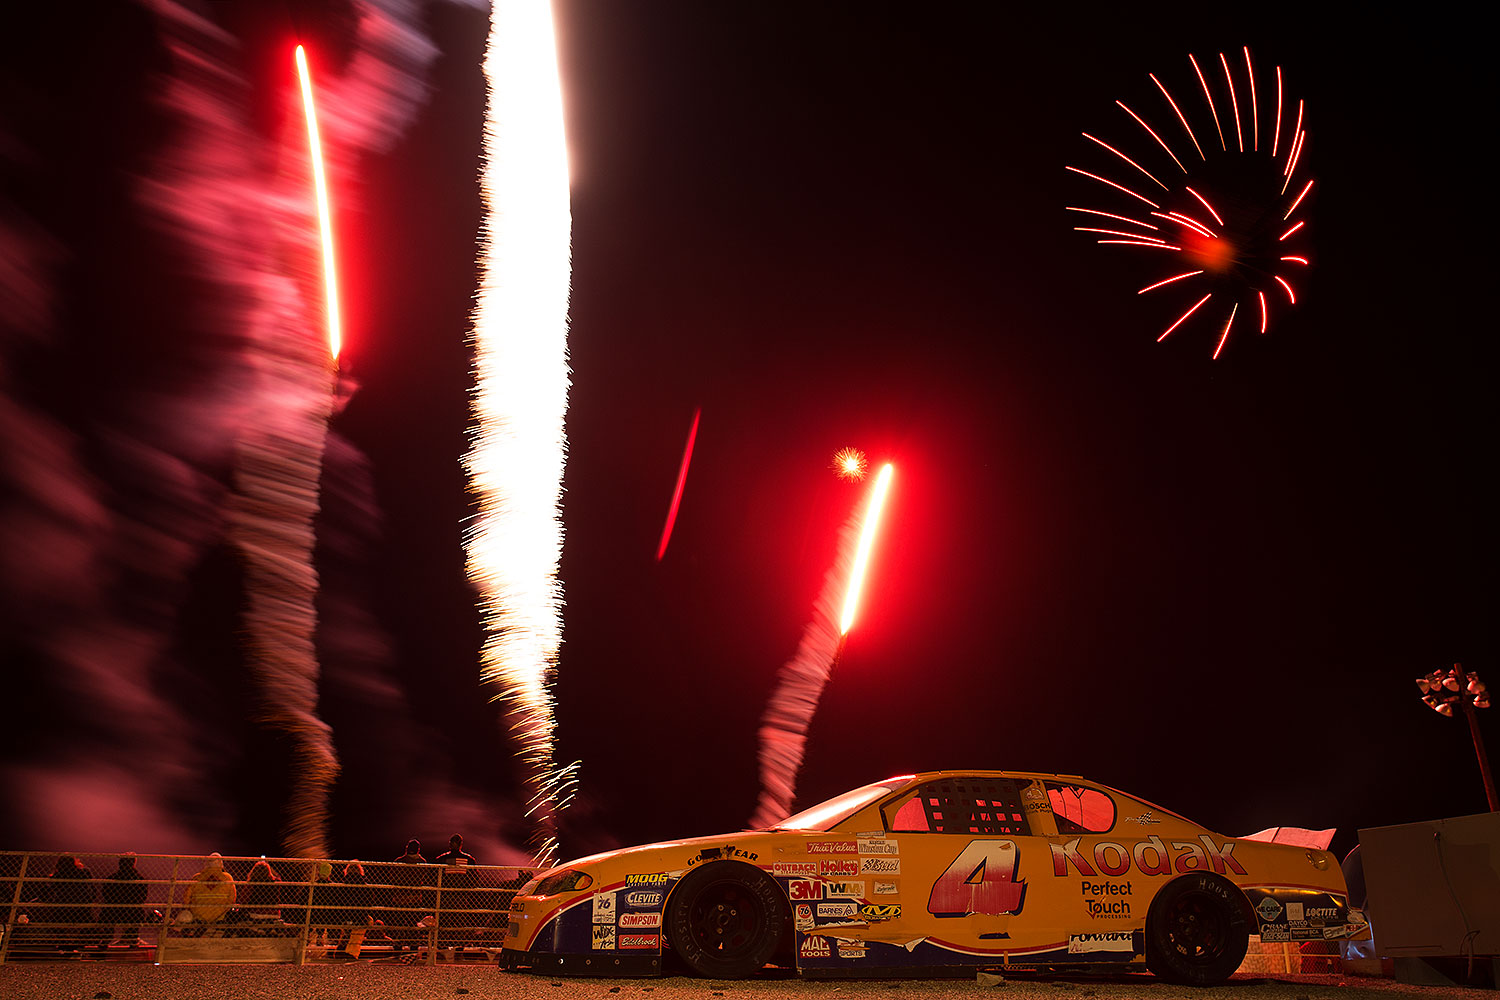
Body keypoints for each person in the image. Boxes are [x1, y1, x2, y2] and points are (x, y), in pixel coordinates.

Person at [41, 855, 97, 950]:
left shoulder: (58, 875)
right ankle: (79, 944)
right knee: (87, 923)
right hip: (81, 905)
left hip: (62, 905)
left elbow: (49, 891)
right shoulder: (83, 872)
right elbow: (93, 888)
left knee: (59, 924)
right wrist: (90, 899)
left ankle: (64, 944)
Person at [434, 835, 478, 954]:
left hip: (446, 894)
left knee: (444, 919)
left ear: (449, 844)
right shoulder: (468, 860)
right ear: (461, 844)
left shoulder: (442, 859)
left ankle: (442, 945)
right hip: (461, 895)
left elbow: (433, 876)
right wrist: (468, 888)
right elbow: (475, 878)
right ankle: (458, 945)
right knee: (459, 920)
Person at [387, 838, 427, 952]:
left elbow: (392, 877)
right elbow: (425, 877)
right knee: (413, 923)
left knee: (399, 923)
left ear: (407, 849)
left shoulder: (399, 861)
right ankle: (413, 945)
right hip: (414, 897)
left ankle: (398, 945)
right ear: (418, 850)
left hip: (399, 897)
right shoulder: (422, 862)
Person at [181, 853, 236, 933]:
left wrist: (191, 909)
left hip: (198, 915)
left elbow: (186, 898)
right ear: (221, 864)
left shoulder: (197, 877)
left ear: (206, 864)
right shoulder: (227, 878)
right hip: (220, 916)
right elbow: (232, 898)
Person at [102, 854, 147, 946]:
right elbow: (142, 897)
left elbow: (105, 894)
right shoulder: (139, 879)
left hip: (113, 911)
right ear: (133, 864)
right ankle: (132, 939)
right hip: (133, 912)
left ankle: (105, 940)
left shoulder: (112, 878)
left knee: (106, 912)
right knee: (138, 911)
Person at [239, 859, 288, 934]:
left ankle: (258, 928)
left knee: (243, 915)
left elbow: (243, 899)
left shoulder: (251, 884)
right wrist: (269, 868)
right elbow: (278, 877)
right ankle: (270, 928)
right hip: (274, 913)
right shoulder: (275, 883)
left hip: (255, 913)